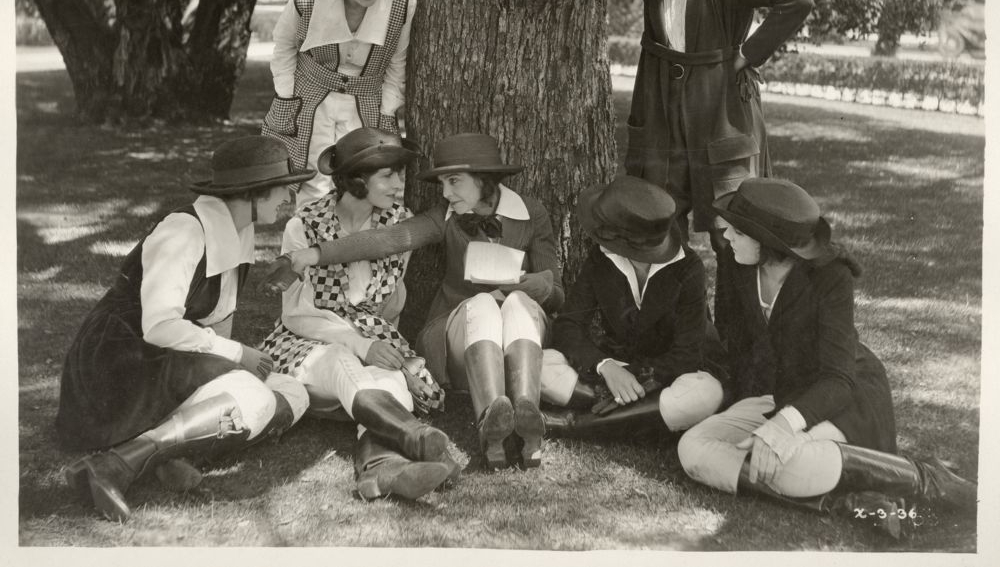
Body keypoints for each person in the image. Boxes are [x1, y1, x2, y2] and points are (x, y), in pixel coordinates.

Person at [676, 178, 977, 538]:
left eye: (738, 232)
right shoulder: (737, 262)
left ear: (769, 240)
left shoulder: (831, 277)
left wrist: (781, 427)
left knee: (795, 462)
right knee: (692, 448)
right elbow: (737, 342)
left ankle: (925, 479)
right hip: (782, 393)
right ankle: (842, 502)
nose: (726, 238)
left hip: (844, 396)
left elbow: (838, 379)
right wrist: (749, 415)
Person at [263, 133, 564, 471]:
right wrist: (314, 254)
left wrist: (537, 285)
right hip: (460, 336)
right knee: (481, 303)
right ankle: (490, 422)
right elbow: (385, 241)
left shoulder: (531, 213)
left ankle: (526, 414)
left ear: (483, 178)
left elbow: (557, 293)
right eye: (443, 183)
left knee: (518, 303)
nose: (446, 193)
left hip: (516, 335)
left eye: (454, 181)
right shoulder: (444, 215)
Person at [55, 137, 313, 522]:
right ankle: (116, 464)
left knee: (291, 391)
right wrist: (237, 356)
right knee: (255, 397)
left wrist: (227, 363)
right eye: (282, 188)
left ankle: (153, 453)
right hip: (118, 362)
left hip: (167, 360)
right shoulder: (184, 231)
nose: (288, 198)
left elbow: (215, 322)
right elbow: (159, 327)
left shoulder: (239, 228)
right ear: (252, 192)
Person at [577, 0, 814, 253]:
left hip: (720, 109)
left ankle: (741, 311)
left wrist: (747, 55)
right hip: (661, 110)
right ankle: (680, 310)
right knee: (662, 221)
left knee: (732, 224)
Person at [259, 127, 460, 501]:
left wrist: (380, 351)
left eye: (401, 174)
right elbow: (296, 315)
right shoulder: (302, 226)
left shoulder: (398, 222)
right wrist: (359, 344)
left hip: (368, 343)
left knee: (388, 371)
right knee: (338, 357)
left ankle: (381, 470)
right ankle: (415, 437)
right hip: (308, 346)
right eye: (388, 175)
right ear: (356, 180)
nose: (400, 184)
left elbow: (389, 305)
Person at [540, 176, 726, 440]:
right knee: (540, 364)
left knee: (707, 393)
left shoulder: (689, 269)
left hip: (667, 376)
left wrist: (632, 378)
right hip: (612, 368)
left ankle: (571, 425)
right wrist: (605, 367)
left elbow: (686, 356)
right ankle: (641, 417)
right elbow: (568, 324)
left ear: (629, 242)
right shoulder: (602, 257)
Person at [262, 0, 416, 205]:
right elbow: (283, 47)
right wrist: (286, 96)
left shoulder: (402, 1)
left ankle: (358, 247)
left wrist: (388, 108)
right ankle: (313, 246)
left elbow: (398, 61)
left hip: (367, 98)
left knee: (365, 178)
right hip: (311, 96)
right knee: (313, 181)